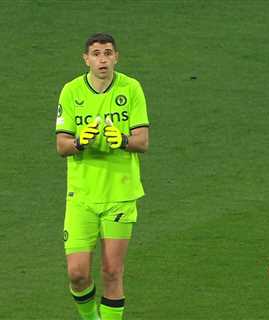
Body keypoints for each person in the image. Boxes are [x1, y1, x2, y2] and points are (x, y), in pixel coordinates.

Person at [55, 33, 150, 320]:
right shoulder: (71, 92)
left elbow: (142, 141)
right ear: (86, 59)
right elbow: (62, 146)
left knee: (112, 271)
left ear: (116, 56)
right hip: (82, 197)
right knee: (77, 273)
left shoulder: (131, 88)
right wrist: (80, 142)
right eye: (96, 54)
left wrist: (121, 139)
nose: (102, 59)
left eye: (108, 53)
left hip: (120, 195)